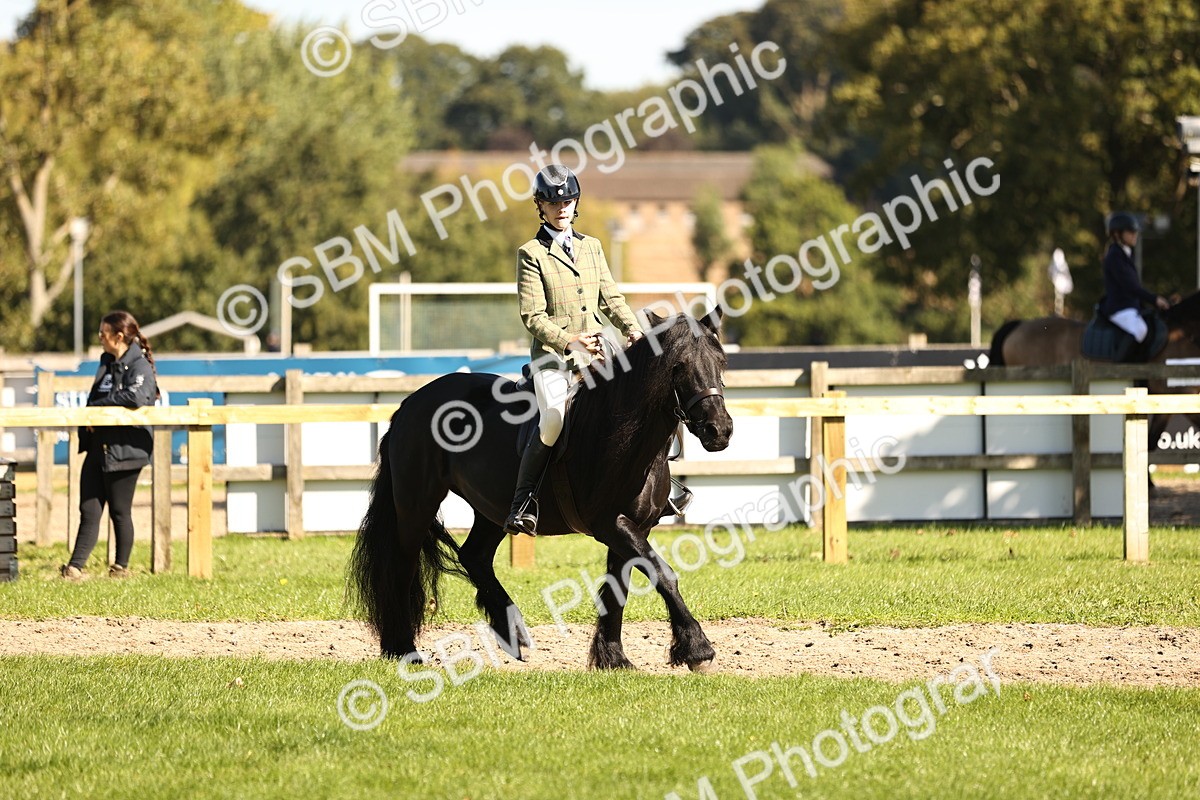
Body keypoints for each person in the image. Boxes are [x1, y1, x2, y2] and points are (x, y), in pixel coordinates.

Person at [504, 164, 645, 536]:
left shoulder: (592, 247)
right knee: (553, 419)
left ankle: (654, 487)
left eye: (567, 201)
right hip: (553, 359)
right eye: (553, 203)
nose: (561, 208)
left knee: (638, 403)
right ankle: (523, 501)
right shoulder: (531, 253)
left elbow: (611, 298)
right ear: (540, 206)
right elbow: (532, 316)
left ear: (575, 203)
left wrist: (632, 329)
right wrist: (569, 340)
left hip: (597, 354)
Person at [60, 311, 159, 580]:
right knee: (89, 509)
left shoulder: (139, 365)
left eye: (103, 333)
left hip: (127, 448)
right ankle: (74, 568)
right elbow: (97, 399)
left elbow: (136, 396)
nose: (100, 338)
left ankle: (120, 567)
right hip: (99, 447)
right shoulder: (106, 363)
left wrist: (97, 409)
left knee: (119, 510)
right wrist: (91, 416)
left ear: (118, 336)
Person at [1099, 211, 1170, 356]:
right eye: (1131, 232)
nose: (1135, 235)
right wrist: (1155, 299)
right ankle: (1119, 366)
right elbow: (1131, 287)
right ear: (1117, 234)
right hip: (1119, 308)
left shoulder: (1125, 254)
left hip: (1130, 307)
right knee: (1140, 330)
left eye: (1135, 232)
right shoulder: (1114, 256)